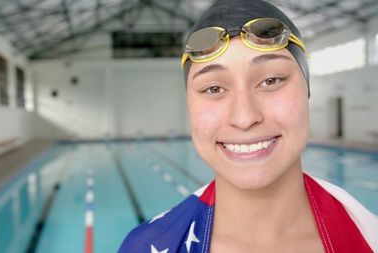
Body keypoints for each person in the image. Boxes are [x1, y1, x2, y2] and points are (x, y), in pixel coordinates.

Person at [118, 0, 378, 252]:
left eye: (271, 80)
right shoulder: (145, 246)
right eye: (214, 88)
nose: (244, 117)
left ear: (306, 90)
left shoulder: (370, 236)